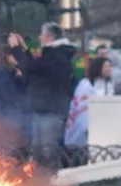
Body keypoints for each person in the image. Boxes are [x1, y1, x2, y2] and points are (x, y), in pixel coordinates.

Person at [6, 22, 76, 150]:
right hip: (42, 111)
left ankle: (49, 171)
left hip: (50, 112)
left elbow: (29, 67)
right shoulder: (54, 54)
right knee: (38, 153)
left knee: (47, 153)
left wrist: (15, 49)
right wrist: (24, 49)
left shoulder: (57, 56)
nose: (39, 37)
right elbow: (35, 69)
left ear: (50, 38)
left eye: (42, 34)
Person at [63, 56, 114, 148]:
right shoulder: (86, 84)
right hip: (86, 126)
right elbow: (81, 106)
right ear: (98, 68)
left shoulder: (109, 86)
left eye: (110, 66)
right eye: (106, 66)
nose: (109, 69)